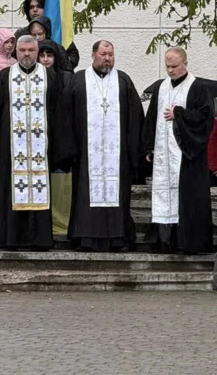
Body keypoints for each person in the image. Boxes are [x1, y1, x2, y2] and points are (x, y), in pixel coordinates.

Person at [0, 35, 73, 249]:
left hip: (41, 150)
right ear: (15, 52)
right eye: (22, 50)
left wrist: (61, 148)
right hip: (10, 151)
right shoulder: (4, 77)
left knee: (40, 189)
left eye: (31, 50)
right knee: (9, 192)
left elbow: (59, 114)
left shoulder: (50, 77)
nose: (27, 54)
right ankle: (9, 239)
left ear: (37, 52)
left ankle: (39, 240)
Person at [65, 41, 143, 252]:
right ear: (93, 55)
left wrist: (133, 150)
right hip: (86, 155)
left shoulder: (123, 81)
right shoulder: (79, 80)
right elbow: (67, 116)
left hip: (117, 156)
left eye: (110, 54)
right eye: (103, 54)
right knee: (85, 194)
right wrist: (70, 149)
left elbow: (136, 118)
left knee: (117, 195)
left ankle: (118, 238)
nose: (107, 58)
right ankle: (86, 238)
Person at [141, 47, 214, 254]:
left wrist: (180, 114)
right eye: (167, 66)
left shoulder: (197, 87)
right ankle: (166, 241)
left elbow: (205, 118)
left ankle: (188, 243)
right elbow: (152, 118)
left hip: (186, 157)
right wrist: (148, 146)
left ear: (185, 64)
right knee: (164, 196)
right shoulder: (161, 87)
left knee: (187, 198)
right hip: (163, 155)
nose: (170, 70)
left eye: (174, 66)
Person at [20, 0, 80, 68]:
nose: (35, 10)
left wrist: (63, 67)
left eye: (39, 6)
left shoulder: (58, 30)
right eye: (31, 7)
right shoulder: (21, 33)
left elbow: (73, 55)